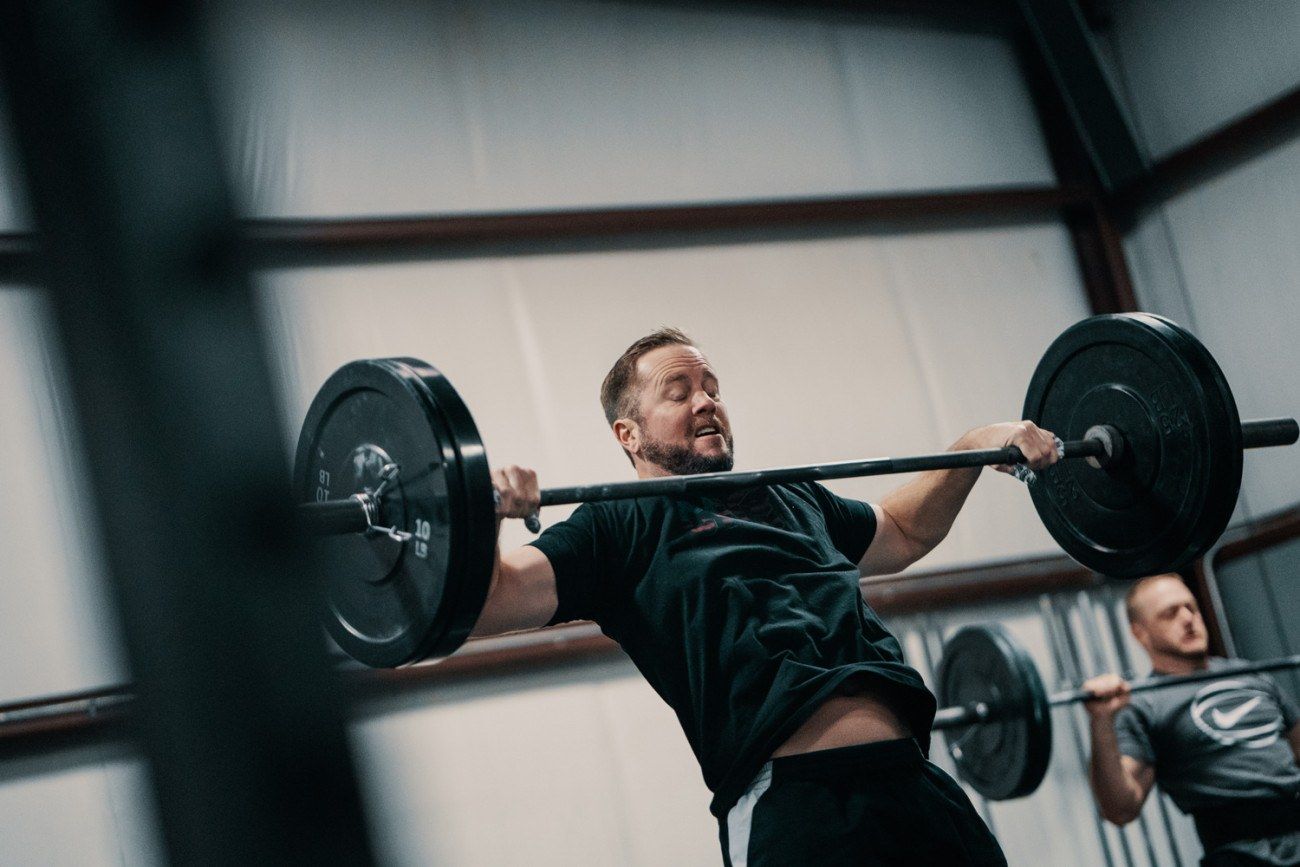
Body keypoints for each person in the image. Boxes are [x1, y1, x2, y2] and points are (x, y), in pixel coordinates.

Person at [473, 328, 1061, 866]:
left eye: (712, 388)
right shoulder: (618, 524)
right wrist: (486, 514)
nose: (706, 402)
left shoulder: (788, 497)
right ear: (627, 434)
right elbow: (491, 601)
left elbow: (905, 531)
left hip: (917, 785)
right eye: (678, 393)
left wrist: (981, 444)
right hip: (798, 810)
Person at [1084, 573, 1300, 865]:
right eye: (1170, 614)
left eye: (1191, 607)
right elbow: (1120, 809)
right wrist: (1100, 722)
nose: (1188, 619)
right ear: (1140, 633)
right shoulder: (1144, 705)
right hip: (1238, 853)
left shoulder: (1253, 675)